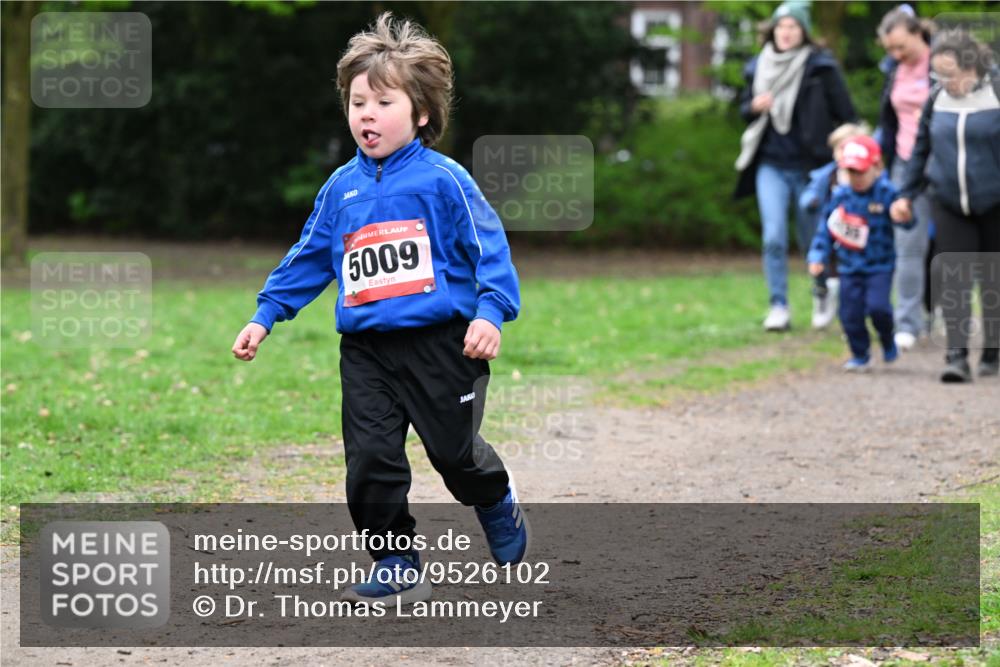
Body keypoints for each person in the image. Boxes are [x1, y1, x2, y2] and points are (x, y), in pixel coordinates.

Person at [231, 12, 529, 604]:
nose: (366, 113)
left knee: (456, 455)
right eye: (356, 102)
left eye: (382, 102)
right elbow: (310, 257)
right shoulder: (340, 188)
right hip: (366, 350)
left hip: (443, 344)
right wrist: (264, 315)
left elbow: (488, 248)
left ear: (420, 113)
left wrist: (490, 313)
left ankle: (495, 499)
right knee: (370, 458)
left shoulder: (445, 181)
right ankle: (392, 556)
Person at [735, 0, 857, 332]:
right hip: (770, 164)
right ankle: (779, 305)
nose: (786, 32)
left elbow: (847, 115)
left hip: (810, 167)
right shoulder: (757, 67)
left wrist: (842, 154)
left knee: (812, 239)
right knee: (773, 236)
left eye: (793, 26)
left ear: (803, 31)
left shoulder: (821, 67)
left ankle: (821, 292)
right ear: (772, 30)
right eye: (781, 26)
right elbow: (743, 110)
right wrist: (753, 107)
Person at [893, 30, 1000, 382]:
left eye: (951, 74)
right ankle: (956, 356)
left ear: (972, 66)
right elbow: (919, 150)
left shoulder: (995, 93)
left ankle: (992, 352)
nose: (945, 82)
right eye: (939, 75)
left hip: (994, 202)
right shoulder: (936, 99)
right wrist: (905, 194)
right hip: (949, 200)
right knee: (954, 276)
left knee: (992, 280)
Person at [807, 135, 915, 372]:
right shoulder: (840, 196)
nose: (855, 178)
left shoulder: (887, 193)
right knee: (849, 313)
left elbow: (906, 223)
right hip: (849, 267)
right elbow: (826, 229)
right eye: (850, 171)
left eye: (860, 171)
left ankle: (887, 338)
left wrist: (905, 215)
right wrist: (817, 256)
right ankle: (860, 354)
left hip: (880, 265)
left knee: (878, 308)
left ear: (877, 167)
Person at [876, 4, 935, 351]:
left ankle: (940, 311)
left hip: (945, 164)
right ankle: (907, 323)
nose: (897, 54)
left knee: (950, 244)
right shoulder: (893, 70)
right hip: (904, 163)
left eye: (902, 47)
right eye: (890, 50)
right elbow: (888, 120)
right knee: (908, 247)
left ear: (918, 34)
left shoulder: (946, 64)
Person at [799, 121, 872, 329]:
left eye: (847, 148)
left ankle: (856, 310)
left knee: (854, 274)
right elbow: (809, 193)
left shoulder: (865, 175)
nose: (842, 154)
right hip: (829, 232)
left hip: (858, 235)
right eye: (838, 149)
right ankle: (822, 298)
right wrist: (810, 200)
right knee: (823, 270)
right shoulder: (826, 175)